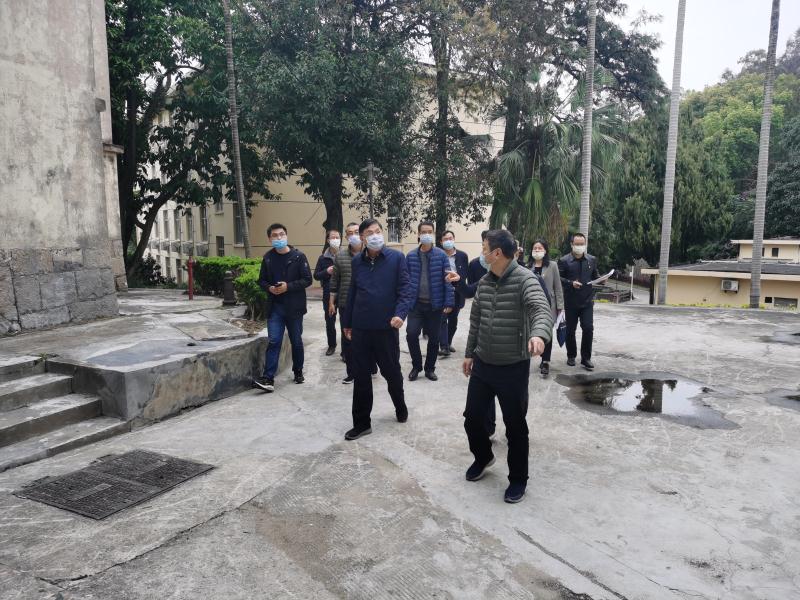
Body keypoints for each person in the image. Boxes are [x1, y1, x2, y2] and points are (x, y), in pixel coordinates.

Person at [462, 230, 553, 504]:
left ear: (497, 253)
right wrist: (469, 354)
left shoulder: (526, 279)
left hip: (513, 366)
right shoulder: (484, 282)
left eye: (484, 249)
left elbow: (540, 309)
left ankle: (518, 479)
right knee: (472, 418)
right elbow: (476, 320)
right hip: (483, 364)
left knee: (515, 426)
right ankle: (483, 457)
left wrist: (539, 335)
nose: (482, 253)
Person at [342, 219, 414, 440]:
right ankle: (362, 423)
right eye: (369, 233)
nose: (375, 235)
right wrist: (347, 322)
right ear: (362, 238)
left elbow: (406, 289)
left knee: (391, 373)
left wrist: (400, 314)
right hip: (361, 328)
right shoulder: (357, 261)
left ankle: (400, 405)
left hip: (386, 328)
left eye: (378, 231)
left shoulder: (396, 258)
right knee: (361, 376)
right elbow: (353, 292)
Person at [253, 223, 312, 393]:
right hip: (275, 308)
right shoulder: (268, 258)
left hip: (294, 307)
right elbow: (261, 280)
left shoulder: (299, 256)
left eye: (281, 234)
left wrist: (288, 287)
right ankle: (268, 378)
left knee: (296, 341)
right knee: (274, 341)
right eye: (275, 235)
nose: (279, 238)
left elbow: (307, 279)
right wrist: (270, 288)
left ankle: (298, 371)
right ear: (269, 239)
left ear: (286, 236)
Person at [405, 221, 454, 381]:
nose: (426, 234)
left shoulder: (441, 255)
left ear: (433, 234)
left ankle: (429, 369)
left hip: (435, 305)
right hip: (416, 305)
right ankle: (416, 366)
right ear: (418, 234)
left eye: (429, 232)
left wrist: (449, 302)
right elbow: (405, 281)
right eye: (423, 232)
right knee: (411, 334)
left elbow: (448, 279)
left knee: (434, 338)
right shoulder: (410, 256)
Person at [557, 232, 599, 370]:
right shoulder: (564, 261)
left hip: (587, 301)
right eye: (577, 244)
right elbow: (559, 279)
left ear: (585, 244)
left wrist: (602, 280)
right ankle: (571, 355)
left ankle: (586, 358)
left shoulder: (591, 260)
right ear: (572, 244)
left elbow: (595, 276)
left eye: (582, 244)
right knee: (570, 330)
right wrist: (571, 283)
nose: (580, 246)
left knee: (588, 328)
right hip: (571, 302)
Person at [330, 222, 363, 383]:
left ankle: (370, 366)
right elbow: (334, 282)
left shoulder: (370, 253)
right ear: (346, 236)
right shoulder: (340, 256)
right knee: (347, 338)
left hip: (366, 304)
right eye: (350, 233)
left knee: (368, 337)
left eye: (356, 232)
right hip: (345, 304)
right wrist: (331, 302)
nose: (354, 235)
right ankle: (351, 372)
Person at [438, 230, 469, 357]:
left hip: (457, 291)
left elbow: (464, 275)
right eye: (445, 239)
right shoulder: (438, 255)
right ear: (441, 242)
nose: (448, 241)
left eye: (450, 238)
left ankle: (448, 342)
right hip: (443, 292)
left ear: (454, 239)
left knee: (453, 321)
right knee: (442, 318)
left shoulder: (462, 256)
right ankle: (444, 346)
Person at [313, 230, 341, 356]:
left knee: (346, 321)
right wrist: (326, 272)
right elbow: (316, 275)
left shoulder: (345, 255)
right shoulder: (322, 258)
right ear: (328, 240)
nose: (336, 239)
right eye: (333, 237)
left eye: (337, 237)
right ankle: (331, 345)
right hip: (328, 294)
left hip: (344, 293)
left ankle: (346, 350)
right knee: (330, 321)